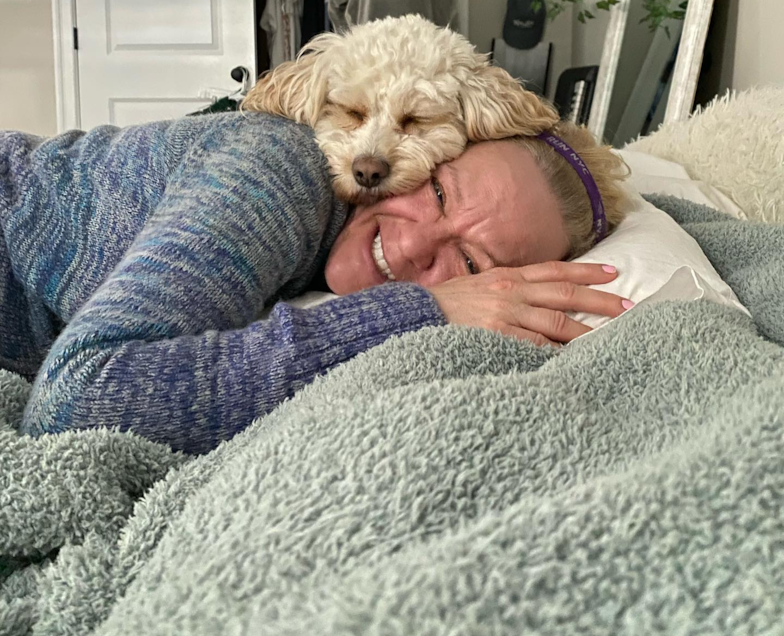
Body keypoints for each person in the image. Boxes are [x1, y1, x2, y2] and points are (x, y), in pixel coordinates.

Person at [0, 111, 629, 456]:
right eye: (436, 191)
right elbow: (78, 403)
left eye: (468, 263)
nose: (409, 245)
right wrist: (423, 308)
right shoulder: (284, 175)